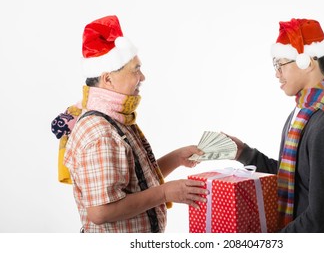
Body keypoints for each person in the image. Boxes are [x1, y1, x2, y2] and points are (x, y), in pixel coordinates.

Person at [51, 15, 207, 233]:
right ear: (107, 79)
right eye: (135, 69)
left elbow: (134, 181)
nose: (142, 77)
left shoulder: (114, 119)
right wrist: (165, 193)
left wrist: (176, 158)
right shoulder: (101, 133)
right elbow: (101, 211)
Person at [227, 18, 324, 233]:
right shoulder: (300, 115)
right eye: (275, 65)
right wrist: (244, 153)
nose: (276, 73)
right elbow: (292, 179)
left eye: (281, 64)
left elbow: (323, 213)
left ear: (308, 62)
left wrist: (278, 241)